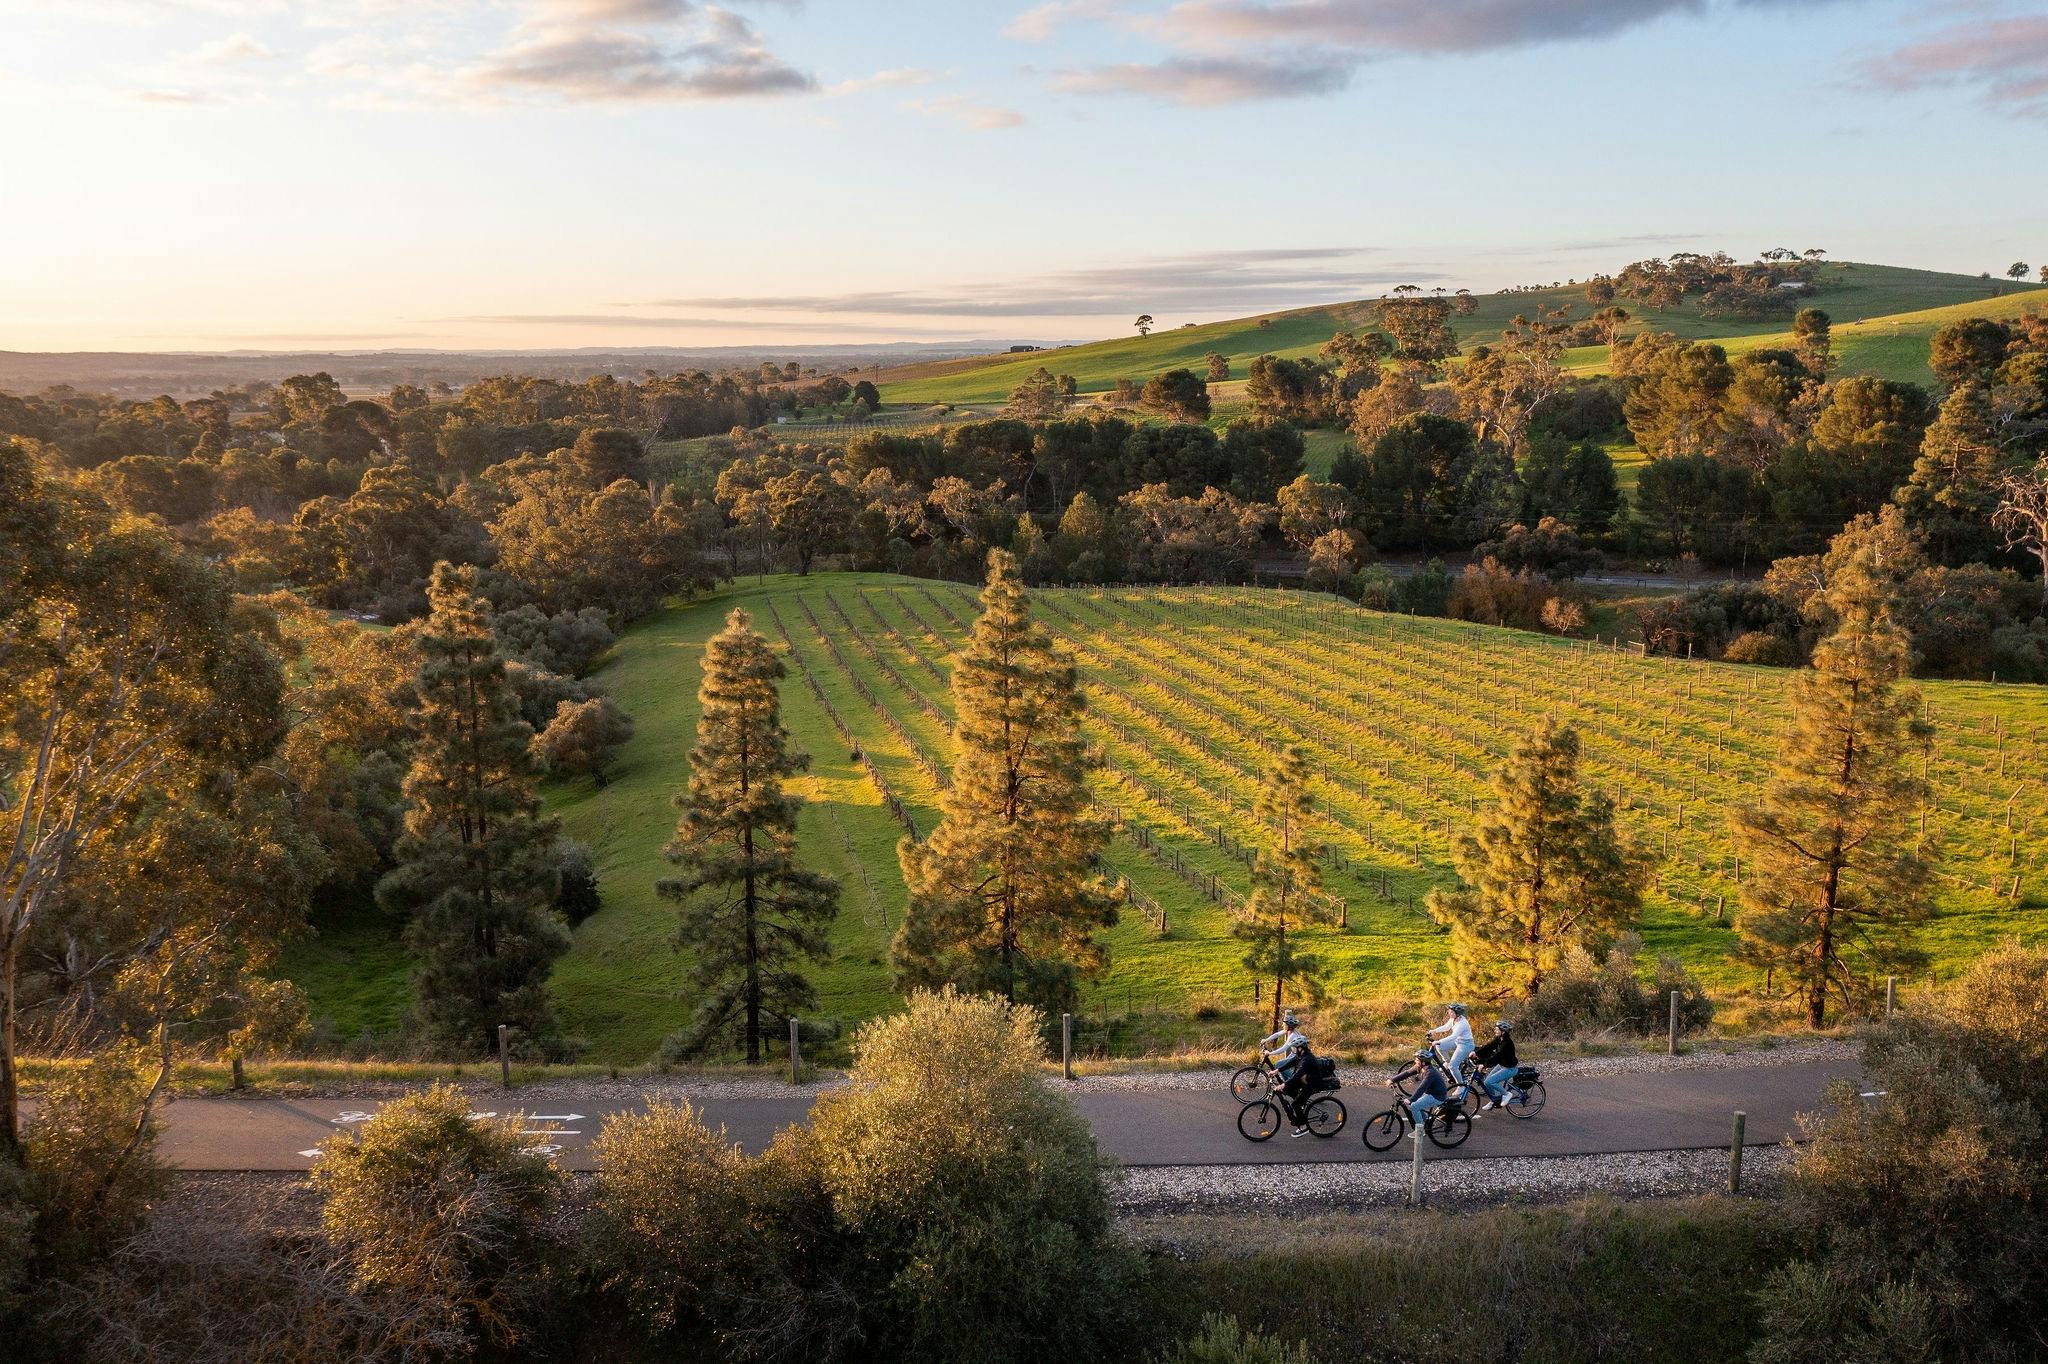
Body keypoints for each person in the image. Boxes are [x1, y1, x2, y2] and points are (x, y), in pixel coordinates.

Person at [1260, 1012, 1314, 1136]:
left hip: (1296, 1055)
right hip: (1296, 1053)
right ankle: (1289, 1083)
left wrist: (1270, 1053)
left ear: (1289, 1025)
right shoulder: (1287, 1031)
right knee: (1280, 1066)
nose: (1283, 1025)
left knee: (1280, 1064)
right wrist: (1266, 1039)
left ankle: (1290, 1085)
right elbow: (1277, 1034)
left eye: (1284, 1024)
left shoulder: (1292, 1036)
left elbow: (1284, 1049)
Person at [1389, 1047, 1449, 1131]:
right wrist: (1392, 1079)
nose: (1415, 1061)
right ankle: (1427, 1121)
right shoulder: (1420, 1067)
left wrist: (1411, 1100)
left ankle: (1420, 1130)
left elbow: (1421, 1088)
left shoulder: (1430, 1073)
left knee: (1414, 1106)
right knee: (1417, 1104)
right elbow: (1407, 1073)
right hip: (1430, 1093)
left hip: (1437, 1096)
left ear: (1423, 1062)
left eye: (1417, 1060)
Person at [1473, 1019, 1520, 1110]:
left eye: (1497, 1029)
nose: (1495, 1030)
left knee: (1489, 1082)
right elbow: (1489, 1046)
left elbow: (1496, 1057)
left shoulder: (1506, 1043)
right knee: (1487, 1082)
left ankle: (1506, 1094)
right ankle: (1493, 1100)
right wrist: (1477, 1053)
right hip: (1502, 1065)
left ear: (1503, 1032)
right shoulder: (1499, 1039)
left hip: (1510, 1068)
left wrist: (1484, 1064)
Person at [1428, 1003, 1474, 1086]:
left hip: (1466, 1045)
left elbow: (1453, 1036)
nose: (1449, 1013)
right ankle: (1447, 1062)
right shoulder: (1453, 1019)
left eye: (1451, 1012)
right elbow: (1447, 1027)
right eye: (1449, 1011)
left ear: (1457, 1014)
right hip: (1458, 1042)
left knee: (1453, 1066)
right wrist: (1434, 1030)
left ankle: (1461, 1086)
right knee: (1440, 1047)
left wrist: (1439, 1041)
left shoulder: (1462, 1023)